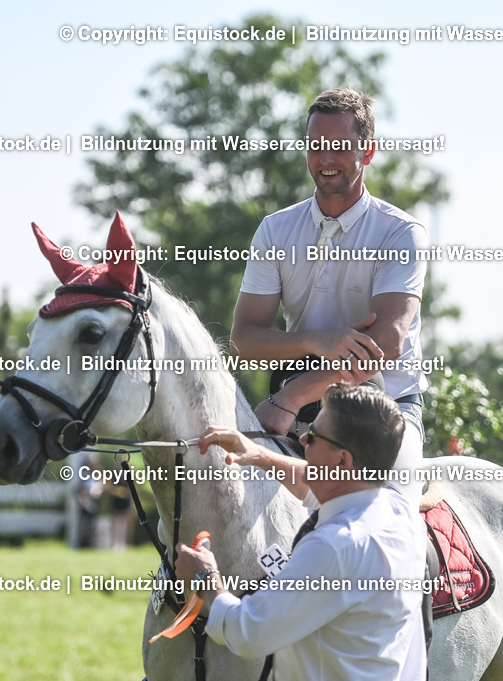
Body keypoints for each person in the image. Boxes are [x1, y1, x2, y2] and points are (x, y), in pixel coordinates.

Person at [230, 87, 429, 506]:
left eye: (339, 147)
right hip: (297, 411)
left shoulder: (401, 233)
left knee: (391, 513)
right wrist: (315, 342)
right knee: (216, 487)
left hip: (384, 411)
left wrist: (290, 396)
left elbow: (385, 346)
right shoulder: (275, 229)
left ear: (368, 152)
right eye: (316, 146)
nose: (325, 159)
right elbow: (245, 338)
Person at [174, 384, 426, 681]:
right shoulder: (397, 509)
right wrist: (258, 454)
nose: (303, 437)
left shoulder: (334, 547)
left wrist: (205, 578)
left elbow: (248, 633)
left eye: (315, 435)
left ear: (343, 461)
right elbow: (317, 483)